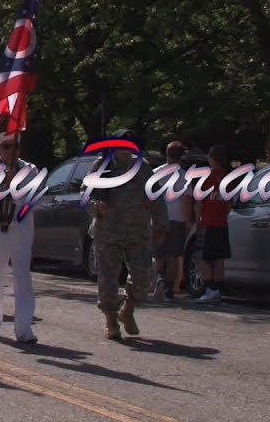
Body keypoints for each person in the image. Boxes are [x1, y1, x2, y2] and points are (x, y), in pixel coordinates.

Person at [87, 129, 167, 339]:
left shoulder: (143, 167)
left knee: (144, 275)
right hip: (108, 232)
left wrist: (161, 224)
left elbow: (157, 196)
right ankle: (111, 320)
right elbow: (86, 195)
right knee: (108, 278)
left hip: (137, 231)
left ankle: (128, 310)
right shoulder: (101, 166)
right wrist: (96, 206)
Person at [0, 131, 40, 343]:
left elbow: (34, 198)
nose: (11, 151)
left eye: (15, 146)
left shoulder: (30, 169)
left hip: (21, 229)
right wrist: (3, 186)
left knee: (23, 277)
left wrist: (16, 187)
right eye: (6, 147)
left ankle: (24, 329)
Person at [155, 141, 194, 301]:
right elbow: (186, 202)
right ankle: (169, 288)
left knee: (157, 253)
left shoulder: (155, 173)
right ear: (181, 156)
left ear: (166, 153)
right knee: (173, 255)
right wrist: (188, 222)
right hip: (176, 219)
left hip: (157, 219)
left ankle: (159, 277)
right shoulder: (184, 177)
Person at [194, 144, 232, 304]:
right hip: (222, 223)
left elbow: (200, 203)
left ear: (211, 158)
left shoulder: (207, 177)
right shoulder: (226, 178)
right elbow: (229, 204)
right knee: (219, 259)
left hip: (208, 222)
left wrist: (197, 221)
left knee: (203, 258)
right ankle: (217, 289)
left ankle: (210, 289)